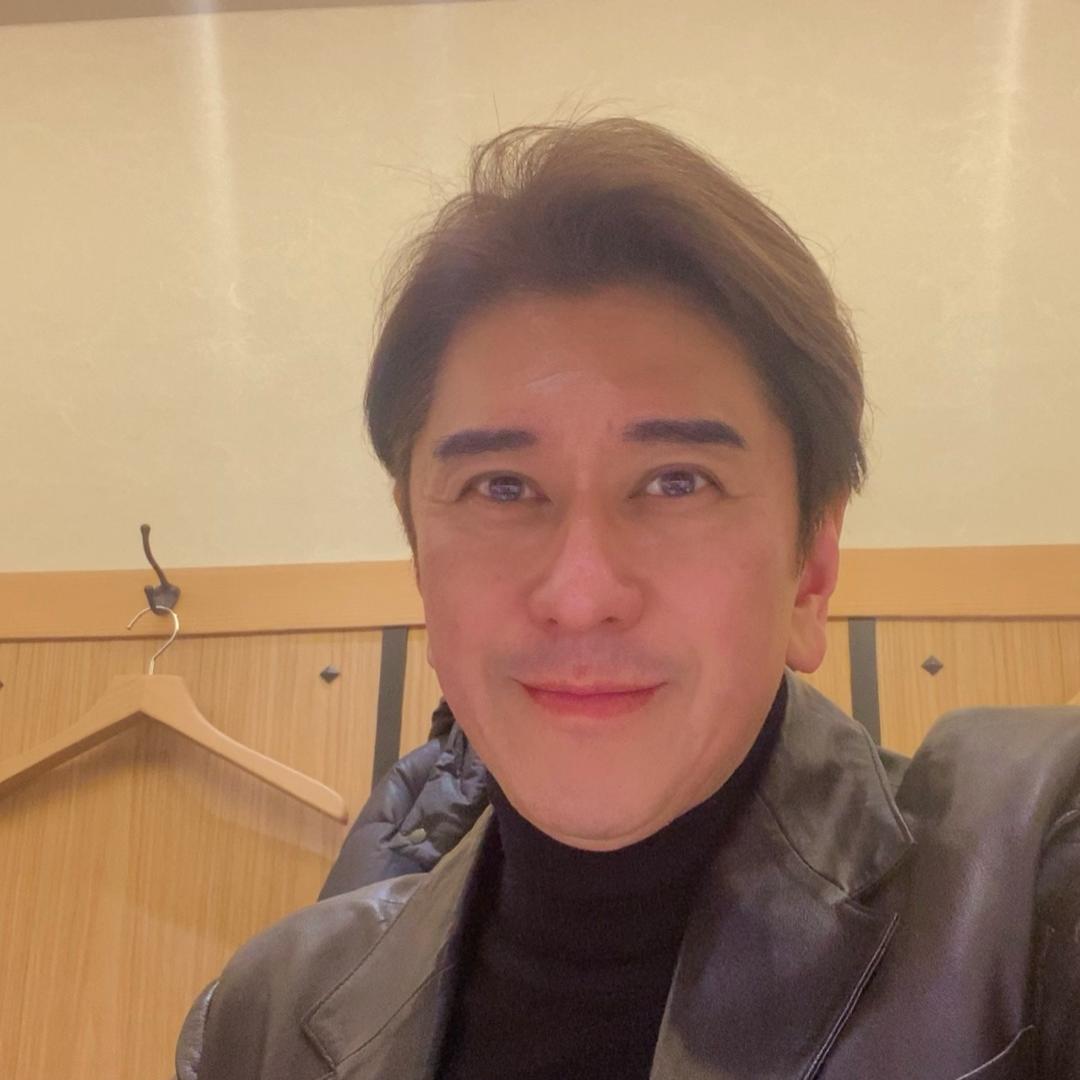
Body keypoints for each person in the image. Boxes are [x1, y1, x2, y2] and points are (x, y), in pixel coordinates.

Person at [174, 117, 1080, 1080]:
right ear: (419, 556)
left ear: (811, 567)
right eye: (501, 488)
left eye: (677, 481)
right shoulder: (264, 1019)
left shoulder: (1026, 891)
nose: (580, 594)